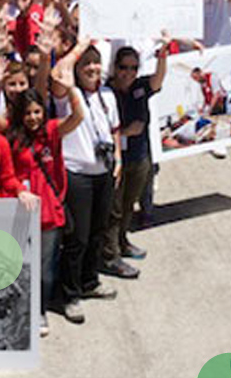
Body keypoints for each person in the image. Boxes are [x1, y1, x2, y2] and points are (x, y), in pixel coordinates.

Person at [50, 42, 124, 324]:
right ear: (76, 70)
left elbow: (114, 130)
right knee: (77, 238)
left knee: (98, 231)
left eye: (96, 63)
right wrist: (81, 46)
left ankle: (90, 281)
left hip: (103, 172)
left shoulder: (107, 94)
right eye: (86, 64)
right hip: (77, 173)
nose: (92, 68)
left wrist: (117, 157)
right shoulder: (66, 96)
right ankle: (70, 294)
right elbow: (59, 75)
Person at [6, 85, 84, 336]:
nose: (33, 117)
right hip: (20, 210)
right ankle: (18, 308)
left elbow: (77, 117)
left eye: (37, 111)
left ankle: (39, 310)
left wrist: (72, 90)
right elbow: (7, 174)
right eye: (28, 113)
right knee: (17, 262)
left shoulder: (51, 131)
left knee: (45, 266)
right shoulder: (13, 138)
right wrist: (18, 188)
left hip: (49, 212)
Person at [104, 43, 166, 264]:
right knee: (115, 210)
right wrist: (125, 133)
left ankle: (123, 242)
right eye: (123, 67)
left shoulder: (140, 86)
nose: (128, 73)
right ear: (114, 67)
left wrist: (163, 56)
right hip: (117, 160)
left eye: (133, 68)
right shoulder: (106, 91)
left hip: (139, 158)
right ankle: (111, 253)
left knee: (129, 206)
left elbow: (158, 80)